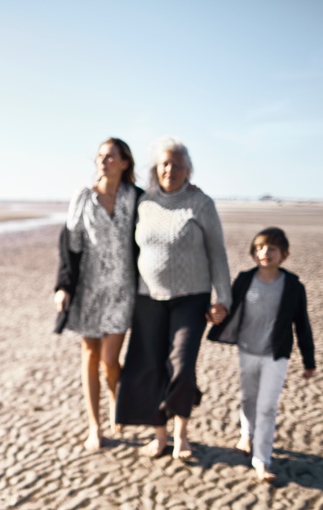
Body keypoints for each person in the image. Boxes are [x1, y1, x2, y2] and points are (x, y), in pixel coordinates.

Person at [115, 137, 232, 460]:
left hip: (191, 298)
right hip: (147, 298)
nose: (170, 169)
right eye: (165, 163)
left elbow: (217, 254)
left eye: (177, 164)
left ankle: (182, 434)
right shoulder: (145, 202)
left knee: (181, 365)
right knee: (151, 365)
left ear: (187, 170)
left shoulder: (201, 203)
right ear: (156, 168)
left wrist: (223, 298)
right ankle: (161, 434)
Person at [54, 138, 143, 451]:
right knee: (90, 354)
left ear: (124, 163)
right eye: (101, 156)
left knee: (110, 359)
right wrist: (63, 287)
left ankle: (117, 400)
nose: (104, 161)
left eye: (111, 156)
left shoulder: (136, 198)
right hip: (88, 289)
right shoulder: (83, 197)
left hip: (122, 289)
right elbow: (69, 245)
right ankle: (95, 425)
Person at [208, 227, 315, 482]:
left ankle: (262, 460)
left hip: (276, 355)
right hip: (247, 351)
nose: (265, 253)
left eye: (272, 249)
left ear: (284, 255)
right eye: (259, 248)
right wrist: (215, 314)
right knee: (248, 398)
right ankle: (247, 434)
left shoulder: (292, 285)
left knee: (267, 407)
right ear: (253, 254)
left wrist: (309, 361)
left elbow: (302, 324)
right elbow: (229, 307)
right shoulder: (245, 279)